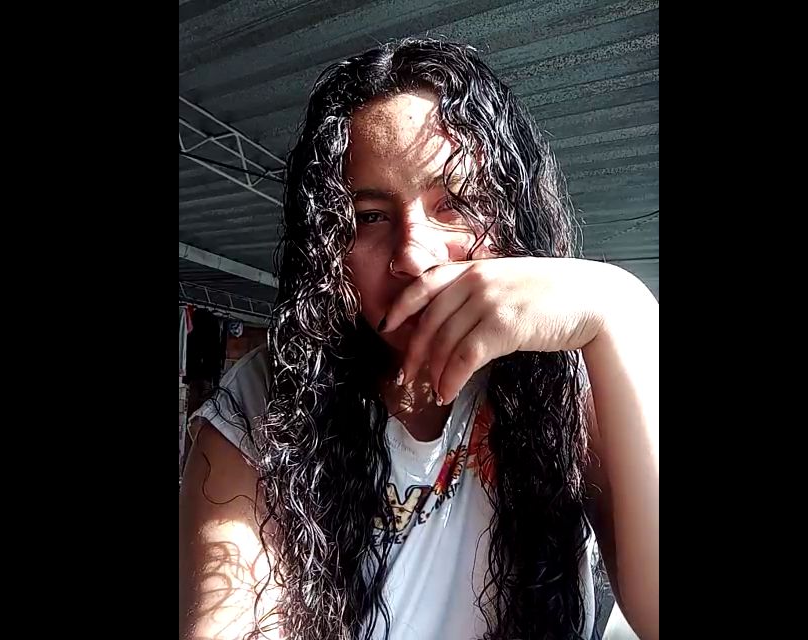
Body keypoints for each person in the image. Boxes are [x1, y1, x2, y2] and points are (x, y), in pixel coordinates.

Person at [179, 37, 658, 640]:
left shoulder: (568, 384)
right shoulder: (262, 402)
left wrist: (622, 309)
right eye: (369, 216)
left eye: (455, 202)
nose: (414, 254)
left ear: (513, 216)